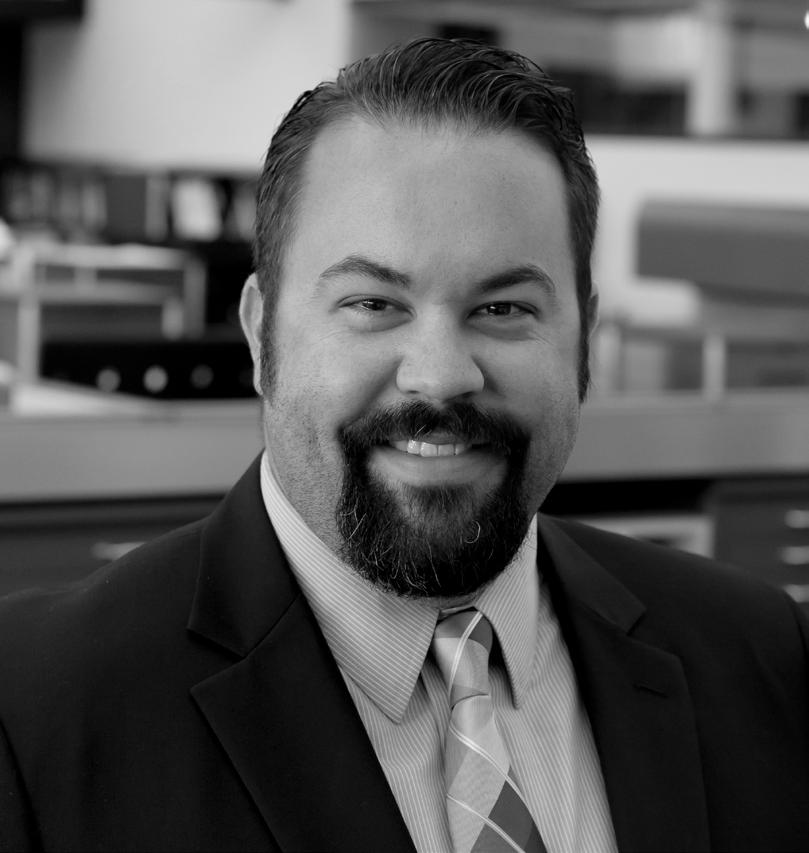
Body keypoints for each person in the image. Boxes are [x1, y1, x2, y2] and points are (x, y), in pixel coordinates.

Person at [1, 37, 808, 853]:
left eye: (502, 309)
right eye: (373, 303)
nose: (440, 376)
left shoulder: (761, 656)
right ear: (259, 332)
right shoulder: (35, 712)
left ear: (584, 339)